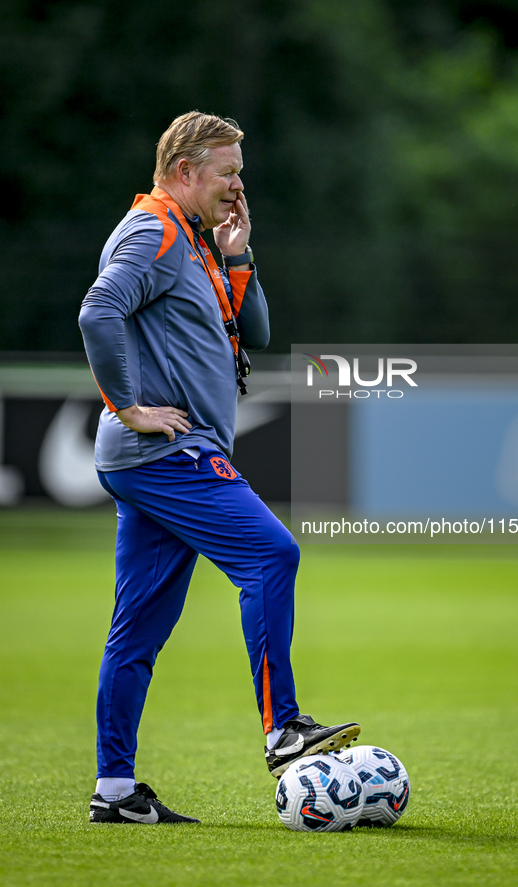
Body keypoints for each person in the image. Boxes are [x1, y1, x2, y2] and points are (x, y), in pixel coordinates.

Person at [79, 110, 360, 825]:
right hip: (165, 450)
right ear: (184, 173)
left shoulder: (196, 241)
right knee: (272, 555)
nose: (239, 185)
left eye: (240, 171)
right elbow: (98, 311)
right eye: (228, 172)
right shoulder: (155, 230)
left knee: (136, 631)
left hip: (154, 456)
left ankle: (115, 793)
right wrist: (130, 404)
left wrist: (239, 256)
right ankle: (283, 725)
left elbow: (255, 333)